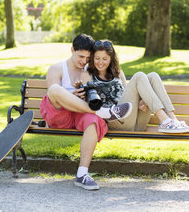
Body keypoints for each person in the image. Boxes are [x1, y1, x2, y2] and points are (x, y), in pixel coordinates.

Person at [40, 34, 132, 190]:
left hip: (80, 114)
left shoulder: (89, 71)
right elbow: (52, 96)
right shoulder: (57, 68)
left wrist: (85, 96)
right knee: (55, 89)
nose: (83, 61)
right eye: (80, 56)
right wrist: (70, 96)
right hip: (60, 115)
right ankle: (101, 112)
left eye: (87, 57)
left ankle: (82, 174)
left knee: (93, 120)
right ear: (72, 50)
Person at [80, 39, 189, 134]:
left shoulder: (118, 72)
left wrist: (140, 104)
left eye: (105, 59)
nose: (100, 62)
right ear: (92, 58)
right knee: (139, 76)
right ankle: (165, 121)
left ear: (111, 59)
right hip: (116, 122)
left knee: (153, 76)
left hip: (136, 122)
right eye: (97, 58)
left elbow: (127, 96)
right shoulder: (87, 75)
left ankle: (173, 120)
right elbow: (88, 102)